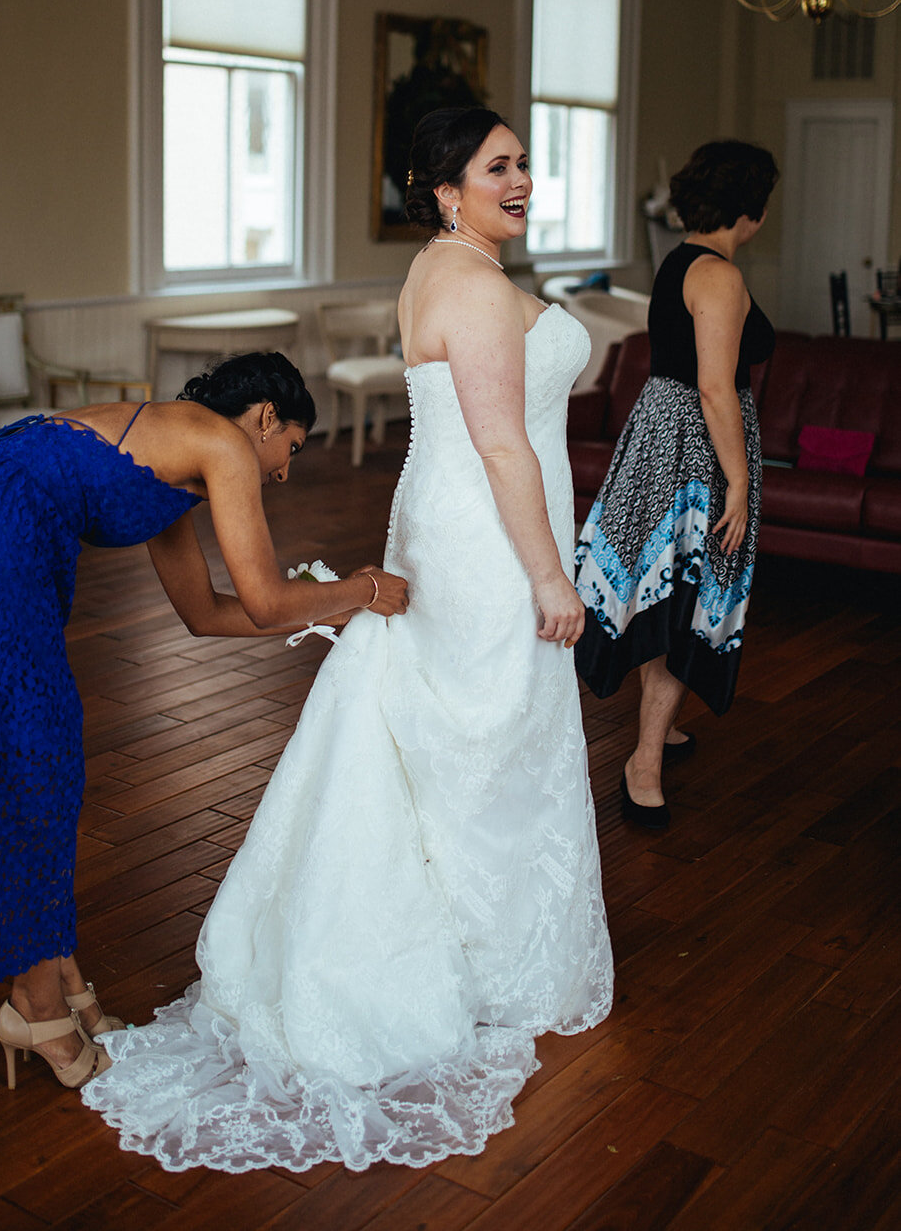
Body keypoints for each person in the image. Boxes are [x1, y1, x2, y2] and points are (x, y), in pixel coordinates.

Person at [82, 107, 612, 1172]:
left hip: (451, 518)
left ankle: (476, 942)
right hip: (485, 538)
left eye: (522, 165)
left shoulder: (440, 268)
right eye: (497, 167)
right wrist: (550, 574)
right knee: (489, 734)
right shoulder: (465, 284)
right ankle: (475, 957)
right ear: (445, 186)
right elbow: (504, 443)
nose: (520, 180)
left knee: (464, 729)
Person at [0, 352, 406, 1090]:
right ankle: (35, 1006)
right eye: (289, 448)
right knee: (28, 768)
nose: (283, 471)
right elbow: (265, 600)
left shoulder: (170, 463)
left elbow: (205, 616)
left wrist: (331, 604)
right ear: (265, 418)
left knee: (33, 765)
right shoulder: (222, 441)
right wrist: (360, 588)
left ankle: (62, 984)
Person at [574, 140, 779, 830]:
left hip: (660, 433)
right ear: (748, 208)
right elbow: (715, 389)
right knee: (683, 598)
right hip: (696, 450)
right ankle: (643, 761)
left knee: (666, 587)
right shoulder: (718, 275)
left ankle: (658, 729)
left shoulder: (677, 261)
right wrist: (740, 480)